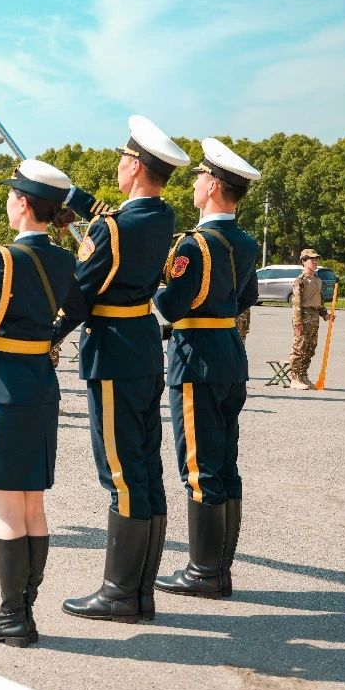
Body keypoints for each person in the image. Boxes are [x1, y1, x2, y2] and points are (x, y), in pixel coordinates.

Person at [56, 114, 190, 624]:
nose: (117, 164)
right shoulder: (160, 216)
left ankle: (120, 593)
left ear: (134, 166)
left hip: (111, 350)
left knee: (120, 473)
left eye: (121, 158)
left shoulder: (111, 230)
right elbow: (113, 224)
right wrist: (79, 206)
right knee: (144, 468)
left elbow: (78, 293)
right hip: (140, 347)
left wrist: (45, 333)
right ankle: (139, 590)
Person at [0, 160, 86, 647]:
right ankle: (24, 611)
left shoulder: (0, 259)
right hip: (41, 385)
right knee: (32, 504)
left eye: (12, 195)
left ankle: (13, 616)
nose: (8, 202)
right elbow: (80, 307)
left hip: (3, 385)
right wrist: (48, 335)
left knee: (8, 509)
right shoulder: (61, 259)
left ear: (25, 204)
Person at [153, 139, 261, 603]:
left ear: (214, 186)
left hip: (196, 358)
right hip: (230, 356)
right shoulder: (246, 242)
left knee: (199, 468)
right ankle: (220, 568)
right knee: (225, 466)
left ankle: (203, 571)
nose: (195, 183)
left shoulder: (194, 244)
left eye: (200, 176)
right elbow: (246, 298)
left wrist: (157, 292)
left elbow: (171, 303)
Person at [288, 249, 333, 390]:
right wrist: (297, 322)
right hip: (304, 317)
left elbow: (319, 301)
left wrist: (325, 314)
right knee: (299, 348)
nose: (315, 262)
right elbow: (296, 303)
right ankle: (295, 378)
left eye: (316, 259)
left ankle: (303, 376)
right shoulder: (300, 281)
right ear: (303, 261)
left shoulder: (317, 280)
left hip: (314, 318)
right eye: (311, 259)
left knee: (310, 349)